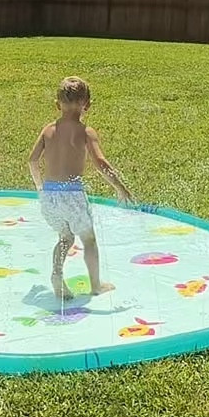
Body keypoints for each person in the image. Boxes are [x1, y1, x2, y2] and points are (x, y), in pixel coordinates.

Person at [28, 77, 135, 301]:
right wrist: (120, 187)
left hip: (49, 196)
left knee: (65, 238)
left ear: (57, 104)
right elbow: (101, 164)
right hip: (72, 194)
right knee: (89, 240)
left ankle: (57, 275)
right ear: (88, 104)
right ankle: (96, 285)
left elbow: (32, 161)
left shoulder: (48, 130)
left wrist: (40, 187)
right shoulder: (86, 132)